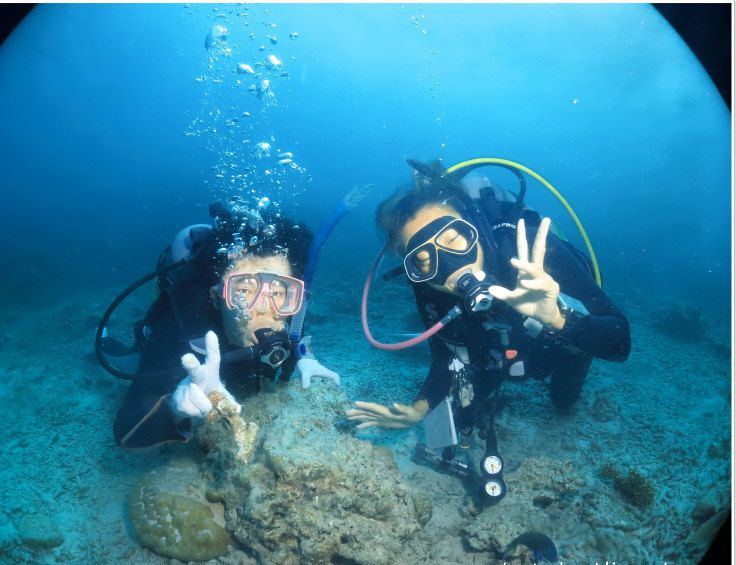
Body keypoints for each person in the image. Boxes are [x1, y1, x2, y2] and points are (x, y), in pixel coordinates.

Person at [348, 160, 630, 500]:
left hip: (558, 344)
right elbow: (445, 355)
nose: (448, 264)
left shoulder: (527, 248)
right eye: (423, 259)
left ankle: (573, 357)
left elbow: (620, 343)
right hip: (495, 353)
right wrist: (419, 409)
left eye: (454, 237)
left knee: (563, 401)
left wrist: (559, 319)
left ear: (474, 224)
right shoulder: (429, 286)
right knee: (464, 405)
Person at [106, 203, 340, 451]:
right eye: (244, 289)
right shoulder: (183, 326)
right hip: (175, 351)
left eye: (278, 291)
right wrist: (174, 408)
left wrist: (305, 356)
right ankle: (105, 340)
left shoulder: (287, 311)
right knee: (128, 361)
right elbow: (126, 433)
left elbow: (297, 334)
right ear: (217, 296)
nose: (263, 308)